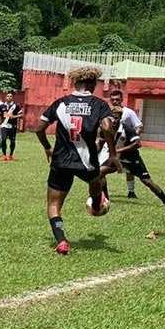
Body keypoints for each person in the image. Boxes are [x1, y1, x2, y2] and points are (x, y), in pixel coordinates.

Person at [34, 66, 120, 255]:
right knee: (95, 179)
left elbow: (39, 128)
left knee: (54, 204)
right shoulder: (99, 104)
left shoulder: (61, 103)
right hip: (87, 160)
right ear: (93, 84)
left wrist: (48, 148)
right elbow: (107, 127)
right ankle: (97, 204)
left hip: (61, 161)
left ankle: (62, 241)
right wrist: (112, 154)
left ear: (75, 83)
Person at [100, 92, 165, 207]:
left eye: (117, 117)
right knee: (100, 172)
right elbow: (101, 140)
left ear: (121, 117)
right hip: (119, 159)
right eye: (112, 117)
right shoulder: (107, 128)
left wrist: (119, 150)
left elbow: (137, 144)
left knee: (147, 181)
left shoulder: (127, 128)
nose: (114, 120)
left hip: (132, 159)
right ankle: (106, 200)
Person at [106, 89, 142, 197]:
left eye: (117, 99)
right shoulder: (107, 111)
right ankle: (102, 191)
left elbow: (139, 126)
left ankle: (131, 192)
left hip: (124, 145)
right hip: (109, 145)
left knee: (129, 169)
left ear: (122, 99)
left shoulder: (128, 112)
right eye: (112, 99)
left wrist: (131, 138)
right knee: (103, 166)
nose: (115, 102)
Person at [0, 91, 22, 160]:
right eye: (8, 96)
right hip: (4, 125)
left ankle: (11, 155)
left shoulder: (16, 105)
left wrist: (14, 117)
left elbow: (21, 115)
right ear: (5, 97)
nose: (9, 97)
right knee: (4, 139)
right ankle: (4, 155)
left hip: (12, 125)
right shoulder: (2, 106)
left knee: (12, 141)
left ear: (12, 97)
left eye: (10, 96)